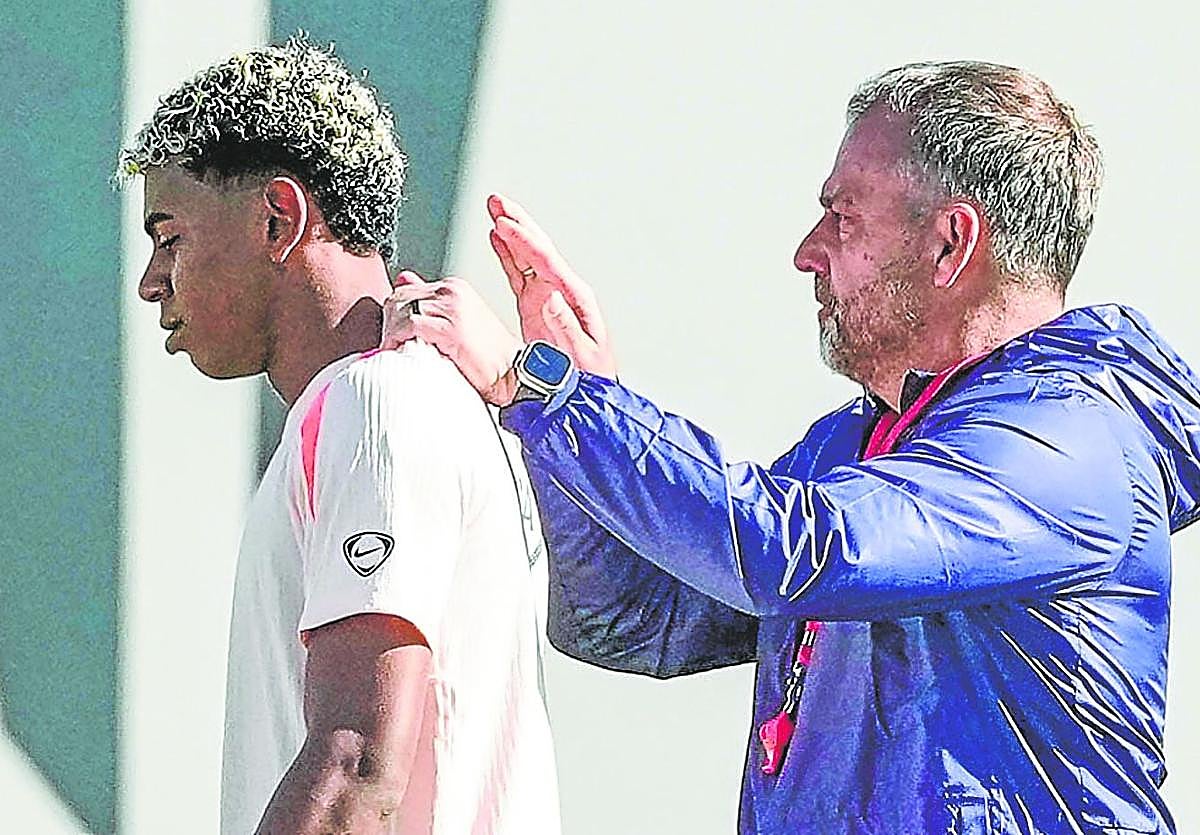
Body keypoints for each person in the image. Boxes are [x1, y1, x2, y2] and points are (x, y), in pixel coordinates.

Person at [384, 61, 1200, 833]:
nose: (807, 252)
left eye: (842, 216)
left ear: (952, 243)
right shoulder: (861, 445)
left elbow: (803, 548)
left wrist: (550, 393)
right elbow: (628, 617)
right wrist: (581, 419)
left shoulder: (1069, 442)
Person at [116, 37, 560, 835]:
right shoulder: (396, 401)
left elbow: (356, 771)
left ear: (279, 218)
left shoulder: (379, 403)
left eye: (169, 235)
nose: (151, 281)